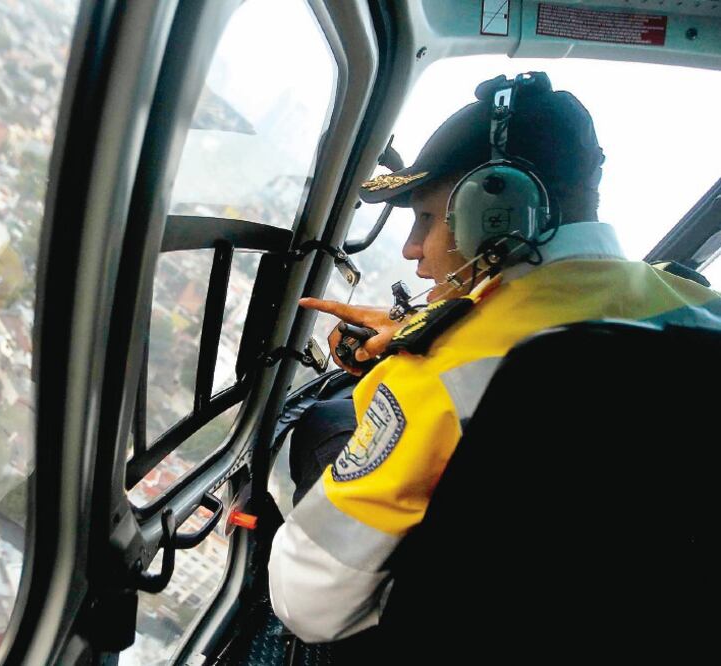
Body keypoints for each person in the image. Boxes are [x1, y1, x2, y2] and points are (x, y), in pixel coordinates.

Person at [267, 71, 721, 644]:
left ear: (496, 207)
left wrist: (406, 365)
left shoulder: (445, 369)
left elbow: (307, 604)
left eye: (426, 219)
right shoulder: (700, 306)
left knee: (325, 418)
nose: (411, 250)